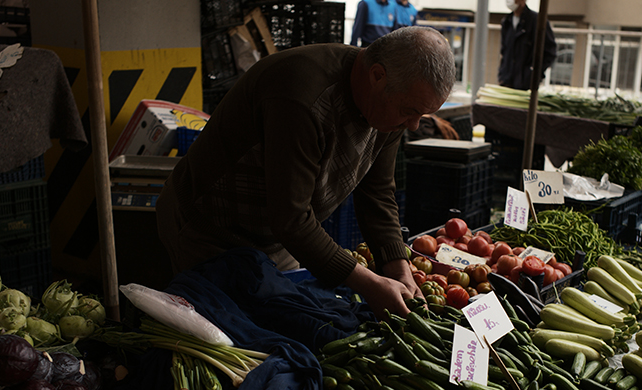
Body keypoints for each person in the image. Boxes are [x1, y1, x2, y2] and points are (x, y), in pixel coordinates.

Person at [156, 26, 456, 319]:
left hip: (275, 236)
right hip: (208, 227)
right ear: (377, 76)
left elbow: (377, 193)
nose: (414, 125)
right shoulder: (300, 94)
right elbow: (291, 218)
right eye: (410, 111)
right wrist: (370, 284)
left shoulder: (389, 108)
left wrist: (398, 268)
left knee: (281, 319)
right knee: (224, 331)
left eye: (422, 114)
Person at [498, 0, 557, 90]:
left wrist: (534, 73)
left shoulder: (537, 20)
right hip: (507, 80)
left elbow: (550, 51)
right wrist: (502, 75)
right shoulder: (506, 22)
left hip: (526, 83)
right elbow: (504, 51)